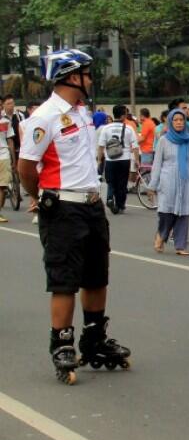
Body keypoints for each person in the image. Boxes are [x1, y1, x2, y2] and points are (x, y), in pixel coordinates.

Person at [18, 48, 131, 385]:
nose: (91, 79)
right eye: (87, 73)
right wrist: (41, 197)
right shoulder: (46, 116)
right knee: (64, 279)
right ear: (71, 76)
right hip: (63, 207)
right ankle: (62, 343)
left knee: (97, 276)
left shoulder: (83, 114)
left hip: (92, 204)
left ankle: (94, 339)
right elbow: (26, 167)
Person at [148, 109, 189, 256]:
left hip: (185, 182)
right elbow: (157, 164)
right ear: (170, 122)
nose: (179, 122)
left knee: (184, 214)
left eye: (182, 120)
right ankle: (161, 235)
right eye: (176, 120)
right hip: (167, 181)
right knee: (167, 213)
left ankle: (180, 246)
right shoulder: (163, 140)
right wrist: (152, 186)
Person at [96, 104, 139, 214]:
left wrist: (100, 159)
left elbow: (101, 146)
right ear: (123, 115)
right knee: (122, 182)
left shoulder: (106, 128)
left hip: (110, 160)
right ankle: (120, 205)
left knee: (111, 181)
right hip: (124, 159)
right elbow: (135, 146)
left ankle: (110, 198)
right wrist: (137, 160)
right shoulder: (129, 128)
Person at [0, 106, 16, 223]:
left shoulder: (5, 122)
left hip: (4, 155)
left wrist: (13, 159)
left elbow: (10, 141)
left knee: (3, 186)